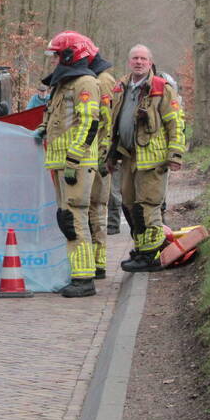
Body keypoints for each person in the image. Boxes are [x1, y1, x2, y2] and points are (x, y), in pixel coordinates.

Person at [108, 44, 187, 272]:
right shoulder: (121, 87)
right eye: (135, 59)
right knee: (130, 205)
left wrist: (175, 154)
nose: (139, 62)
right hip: (128, 156)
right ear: (129, 62)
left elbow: (175, 123)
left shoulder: (161, 88)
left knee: (149, 207)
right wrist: (110, 155)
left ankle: (152, 256)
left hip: (153, 159)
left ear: (150, 62)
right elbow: (113, 122)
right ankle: (141, 250)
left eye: (143, 59)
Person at [34, 31, 101, 297]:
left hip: (76, 163)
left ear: (72, 55)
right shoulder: (63, 84)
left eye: (58, 55)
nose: (55, 61)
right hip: (61, 162)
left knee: (75, 218)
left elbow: (89, 123)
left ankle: (84, 279)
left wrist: (74, 157)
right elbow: (56, 117)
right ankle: (77, 275)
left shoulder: (85, 83)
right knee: (66, 219)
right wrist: (42, 128)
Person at [87, 49, 116, 279]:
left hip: (97, 157)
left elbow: (107, 120)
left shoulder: (102, 81)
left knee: (96, 209)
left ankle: (98, 263)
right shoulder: (97, 79)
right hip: (93, 155)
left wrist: (103, 154)